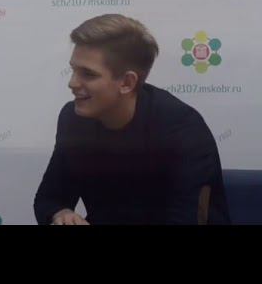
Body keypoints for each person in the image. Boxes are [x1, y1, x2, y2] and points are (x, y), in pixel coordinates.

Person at [34, 14, 230, 225]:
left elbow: (184, 219)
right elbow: (50, 198)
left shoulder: (183, 130)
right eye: (73, 70)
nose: (72, 83)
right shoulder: (73, 120)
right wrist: (61, 214)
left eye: (88, 74)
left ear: (127, 82)